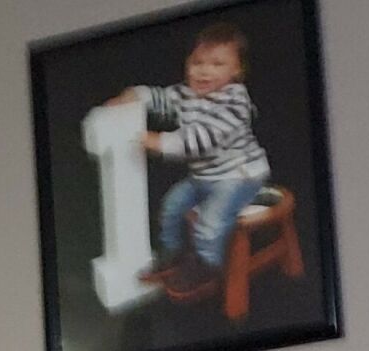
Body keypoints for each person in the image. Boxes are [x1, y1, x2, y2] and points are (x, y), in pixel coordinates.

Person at [106, 22, 272, 301]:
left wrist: (160, 142)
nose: (204, 71)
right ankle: (173, 252)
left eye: (217, 64)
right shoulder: (186, 93)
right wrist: (136, 96)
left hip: (239, 176)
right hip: (204, 177)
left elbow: (202, 139)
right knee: (172, 205)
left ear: (236, 71)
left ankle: (207, 265)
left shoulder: (235, 101)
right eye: (197, 62)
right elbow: (162, 97)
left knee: (210, 221)